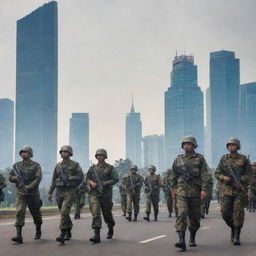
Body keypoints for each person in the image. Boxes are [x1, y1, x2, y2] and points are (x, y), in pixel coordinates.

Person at [171, 136, 209, 251]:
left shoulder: (200, 158)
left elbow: (205, 175)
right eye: (184, 144)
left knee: (194, 218)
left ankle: (192, 236)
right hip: (182, 191)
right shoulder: (178, 159)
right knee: (181, 213)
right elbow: (173, 174)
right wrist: (173, 188)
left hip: (195, 192)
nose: (186, 146)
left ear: (193, 145)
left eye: (189, 144)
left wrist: (204, 189)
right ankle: (181, 240)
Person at [215, 137, 255, 245]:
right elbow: (217, 173)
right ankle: (232, 227)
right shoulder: (223, 159)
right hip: (226, 190)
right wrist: (224, 178)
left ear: (237, 146)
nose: (231, 146)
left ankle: (237, 235)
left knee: (238, 213)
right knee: (225, 213)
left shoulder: (244, 159)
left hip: (239, 190)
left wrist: (241, 179)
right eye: (229, 145)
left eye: (233, 145)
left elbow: (250, 175)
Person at [48, 145, 84, 244]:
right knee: (63, 213)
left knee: (64, 212)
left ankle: (62, 234)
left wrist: (71, 179)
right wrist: (50, 192)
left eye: (66, 152)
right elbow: (53, 180)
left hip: (70, 191)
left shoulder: (75, 165)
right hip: (59, 191)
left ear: (70, 153)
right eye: (62, 152)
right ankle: (68, 228)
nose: (64, 153)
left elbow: (81, 177)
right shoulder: (58, 166)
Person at [9, 146, 43, 244]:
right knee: (20, 211)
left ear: (30, 154)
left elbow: (38, 178)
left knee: (35, 213)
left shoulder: (36, 165)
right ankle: (18, 235)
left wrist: (29, 187)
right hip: (21, 193)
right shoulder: (17, 166)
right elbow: (10, 177)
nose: (24, 154)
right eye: (22, 152)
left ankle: (38, 228)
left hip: (33, 193)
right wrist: (15, 178)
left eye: (26, 152)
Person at [85, 149, 119, 244]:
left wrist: (105, 183)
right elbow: (87, 177)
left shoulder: (110, 168)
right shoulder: (92, 168)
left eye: (102, 155)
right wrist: (91, 182)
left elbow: (116, 178)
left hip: (106, 194)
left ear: (105, 157)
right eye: (98, 155)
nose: (100, 157)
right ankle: (97, 235)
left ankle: (111, 227)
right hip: (94, 193)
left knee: (107, 214)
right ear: (96, 157)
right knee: (95, 213)